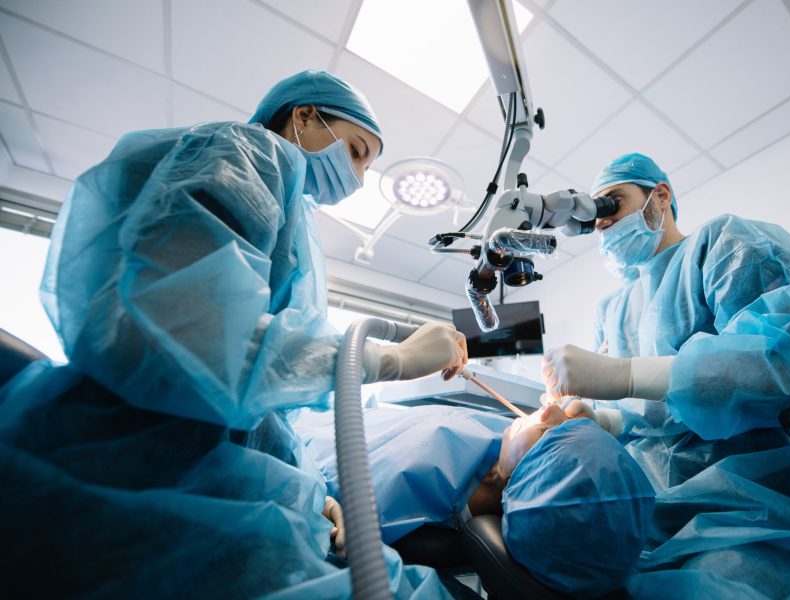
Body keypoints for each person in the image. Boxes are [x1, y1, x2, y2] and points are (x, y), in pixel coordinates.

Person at [0, 71, 468, 598]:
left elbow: (263, 401)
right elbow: (189, 331)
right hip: (144, 473)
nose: (359, 178)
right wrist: (391, 360)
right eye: (357, 151)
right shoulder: (245, 154)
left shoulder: (296, 218)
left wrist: (313, 492)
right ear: (304, 115)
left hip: (215, 474)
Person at [541, 153, 790, 597]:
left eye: (611, 203)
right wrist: (603, 419)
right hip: (656, 509)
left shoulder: (726, 243)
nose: (600, 222)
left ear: (660, 196)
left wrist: (626, 373)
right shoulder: (614, 309)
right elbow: (650, 415)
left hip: (765, 499)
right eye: (593, 217)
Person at [295, 402, 656, 599]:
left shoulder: (403, 503)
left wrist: (317, 502)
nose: (547, 410)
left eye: (550, 432)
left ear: (525, 485)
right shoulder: (498, 448)